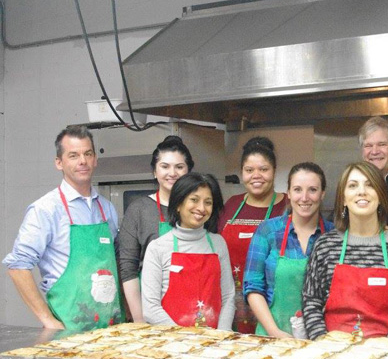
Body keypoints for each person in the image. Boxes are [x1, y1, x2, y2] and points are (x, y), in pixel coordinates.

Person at [3, 126, 123, 331]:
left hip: (111, 328)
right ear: (59, 162)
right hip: (69, 330)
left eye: (88, 154)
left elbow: (118, 263)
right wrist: (48, 320)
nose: (82, 161)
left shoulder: (107, 208)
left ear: (95, 159)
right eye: (73, 155)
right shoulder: (45, 209)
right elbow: (18, 267)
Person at [303, 161, 388, 342]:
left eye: (370, 185)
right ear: (343, 198)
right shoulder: (325, 245)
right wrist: (322, 342)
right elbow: (311, 301)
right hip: (331, 354)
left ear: (381, 195)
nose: (362, 191)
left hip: (386, 357)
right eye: (353, 185)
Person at [244, 162, 334, 337]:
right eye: (298, 189)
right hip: (272, 337)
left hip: (322, 338)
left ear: (322, 194)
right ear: (289, 193)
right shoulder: (267, 231)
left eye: (313, 190)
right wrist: (275, 332)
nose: (305, 197)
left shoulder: (334, 236)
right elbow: (253, 287)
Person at [142, 172, 235, 329]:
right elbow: (150, 309)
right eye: (194, 200)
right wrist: (184, 340)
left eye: (208, 202)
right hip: (171, 343)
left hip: (214, 343)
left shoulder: (218, 244)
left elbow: (228, 297)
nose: (201, 208)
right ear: (178, 204)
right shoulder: (157, 248)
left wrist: (222, 335)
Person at [118, 136, 194, 322]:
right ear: (154, 171)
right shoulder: (139, 210)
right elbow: (128, 268)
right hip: (150, 312)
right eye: (165, 166)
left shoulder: (198, 210)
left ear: (189, 171)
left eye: (179, 167)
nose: (172, 173)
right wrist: (139, 319)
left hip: (194, 310)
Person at [218, 137, 287, 333]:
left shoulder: (288, 206)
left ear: (274, 171)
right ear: (242, 173)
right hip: (229, 305)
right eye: (249, 170)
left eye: (263, 169)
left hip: (272, 303)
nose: (256, 176)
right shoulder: (231, 205)